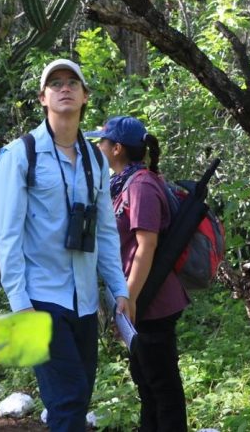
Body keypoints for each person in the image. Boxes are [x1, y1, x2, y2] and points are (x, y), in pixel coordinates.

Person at [0, 58, 130, 432]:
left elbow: (105, 230)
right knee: (68, 399)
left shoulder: (95, 160)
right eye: (55, 83)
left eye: (73, 82)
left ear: (85, 96)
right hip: (40, 298)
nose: (64, 87)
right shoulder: (21, 154)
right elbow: (8, 234)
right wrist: (19, 303)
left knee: (79, 393)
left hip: (84, 300)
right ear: (42, 97)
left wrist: (119, 289)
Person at [93, 116, 189, 431]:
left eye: (103, 141)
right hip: (135, 301)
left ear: (117, 148)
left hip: (152, 300)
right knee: (147, 386)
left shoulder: (142, 185)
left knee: (162, 387)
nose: (98, 145)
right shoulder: (121, 185)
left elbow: (146, 246)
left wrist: (129, 297)